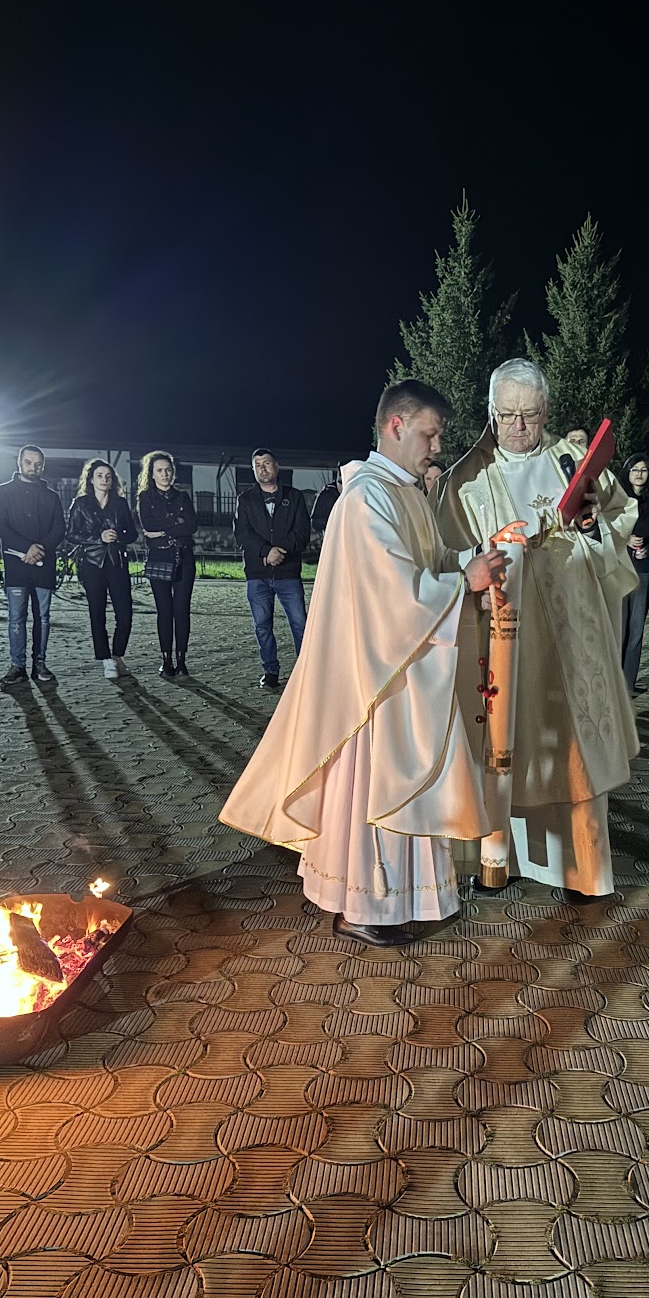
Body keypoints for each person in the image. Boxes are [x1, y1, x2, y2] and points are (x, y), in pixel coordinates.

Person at [218, 380, 515, 947]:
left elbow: (422, 562)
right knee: (375, 788)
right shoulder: (365, 498)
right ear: (396, 425)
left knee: (402, 783)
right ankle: (364, 906)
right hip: (372, 683)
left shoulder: (402, 492)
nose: (436, 446)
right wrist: (463, 583)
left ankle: (410, 897)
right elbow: (391, 592)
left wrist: (466, 561)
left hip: (397, 668)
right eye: (429, 433)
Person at [432, 358, 639, 899]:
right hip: (502, 638)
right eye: (507, 415)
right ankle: (495, 862)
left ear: (546, 411)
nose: (519, 427)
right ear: (491, 413)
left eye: (529, 414)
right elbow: (443, 556)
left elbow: (618, 525)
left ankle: (582, 871)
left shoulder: (572, 462)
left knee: (572, 749)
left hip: (572, 636)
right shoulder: (465, 479)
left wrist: (592, 522)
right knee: (502, 746)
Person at [235, 449, 309, 692]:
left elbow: (301, 533)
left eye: (266, 463)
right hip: (257, 574)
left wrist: (280, 551)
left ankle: (305, 670)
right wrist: (266, 551)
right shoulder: (245, 500)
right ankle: (270, 671)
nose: (262, 468)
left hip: (288, 572)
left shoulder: (294, 497)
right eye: (257, 465)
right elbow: (242, 534)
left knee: (300, 623)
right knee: (262, 626)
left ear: (276, 467)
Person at [0, 444, 66, 688]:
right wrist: (27, 549)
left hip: (44, 566)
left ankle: (40, 664)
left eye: (37, 464)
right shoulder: (2, 493)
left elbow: (59, 530)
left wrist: (39, 549)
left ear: (42, 466)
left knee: (43, 617)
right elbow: (0, 527)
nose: (33, 467)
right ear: (19, 463)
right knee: (16, 617)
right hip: (16, 565)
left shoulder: (52, 497)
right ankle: (17, 666)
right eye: (28, 462)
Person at [67, 459, 137, 680]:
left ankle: (117, 655)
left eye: (108, 476)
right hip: (92, 564)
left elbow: (133, 534)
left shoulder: (120, 504)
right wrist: (97, 537)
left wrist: (120, 536)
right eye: (99, 475)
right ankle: (106, 659)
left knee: (125, 613)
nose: (104, 479)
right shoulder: (81, 504)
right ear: (91, 478)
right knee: (97, 614)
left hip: (117, 562)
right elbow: (71, 534)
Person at [137, 451, 198, 679]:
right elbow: (147, 524)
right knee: (164, 611)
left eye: (168, 470)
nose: (164, 474)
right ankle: (166, 660)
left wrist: (163, 530)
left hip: (184, 558)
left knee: (182, 611)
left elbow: (191, 525)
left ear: (173, 472)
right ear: (151, 474)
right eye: (159, 470)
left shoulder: (182, 497)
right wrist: (176, 523)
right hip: (159, 559)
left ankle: (182, 661)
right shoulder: (145, 497)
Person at [620, 453, 649, 694]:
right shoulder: (617, 502)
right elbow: (606, 531)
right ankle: (613, 681)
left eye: (644, 470)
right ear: (627, 472)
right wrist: (625, 539)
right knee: (619, 626)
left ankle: (628, 682)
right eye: (635, 469)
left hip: (643, 570)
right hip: (619, 567)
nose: (639, 474)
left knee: (636, 628)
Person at [312, 468, 343, 537]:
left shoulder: (357, 495)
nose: (343, 487)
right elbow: (316, 523)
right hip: (332, 537)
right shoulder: (326, 496)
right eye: (340, 482)